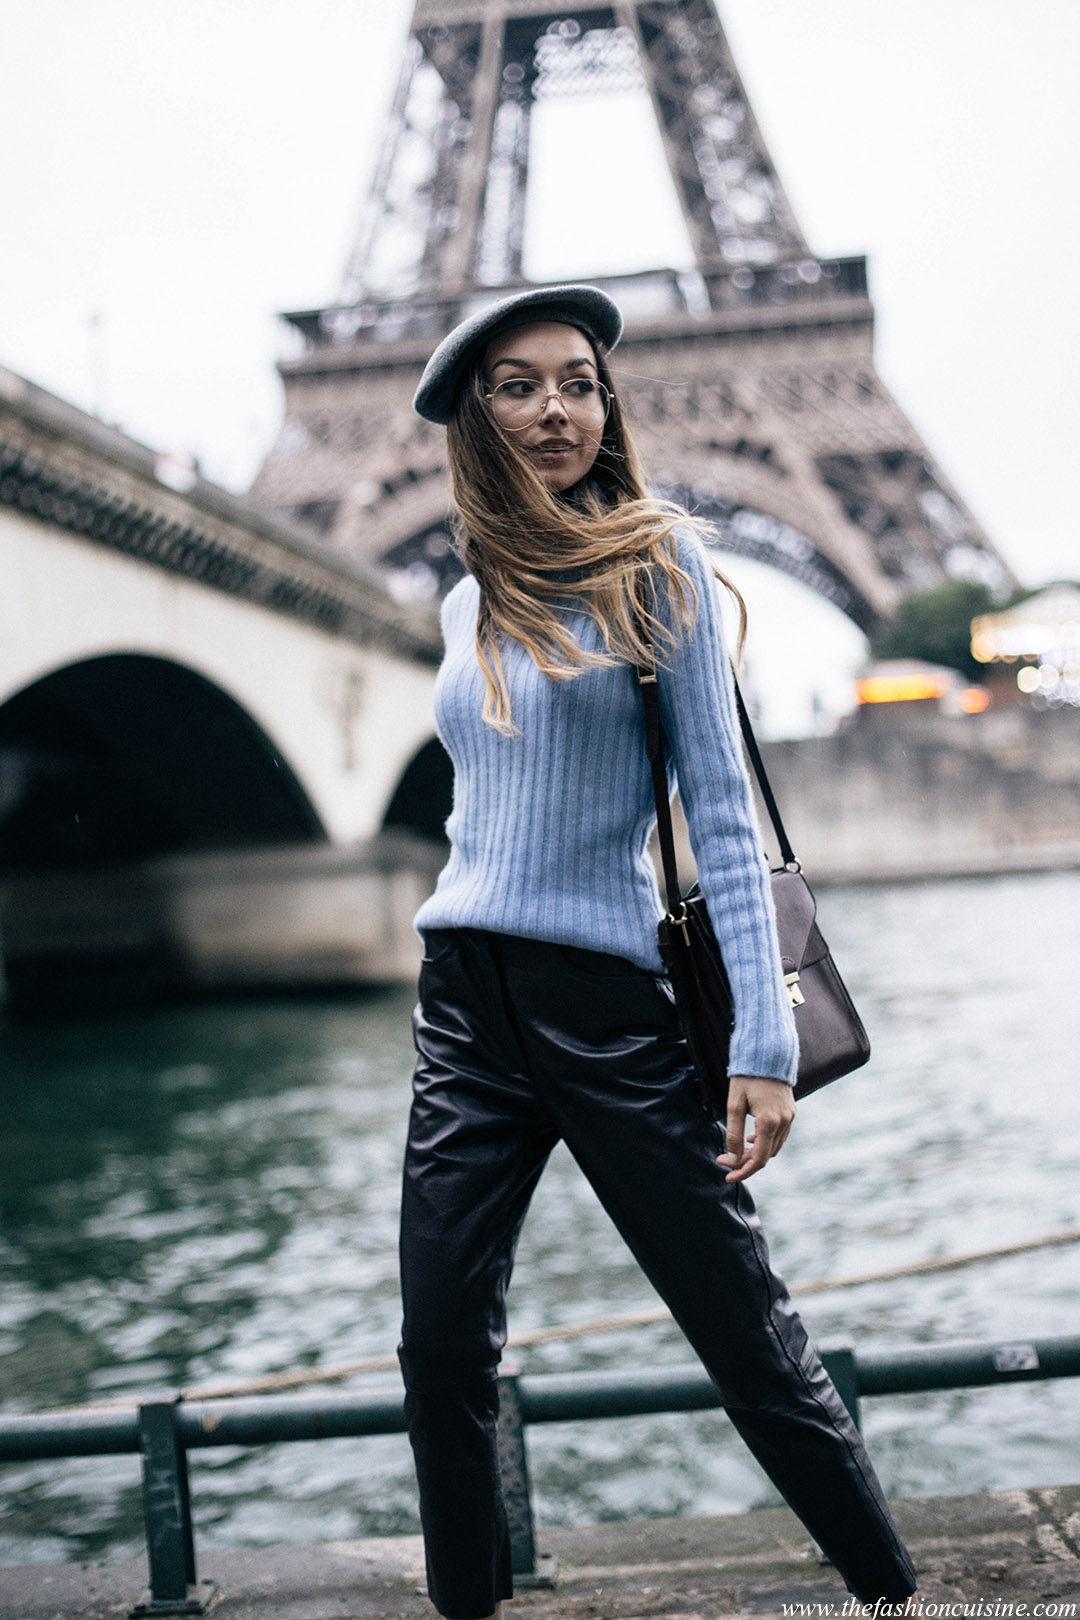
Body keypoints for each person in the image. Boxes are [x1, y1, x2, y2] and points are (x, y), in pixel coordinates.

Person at [398, 284, 918, 1620]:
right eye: (520, 385)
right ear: (474, 415)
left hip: (605, 1004)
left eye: (579, 382)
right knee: (440, 1346)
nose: (556, 408)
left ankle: (893, 1598)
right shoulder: (464, 599)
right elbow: (481, 810)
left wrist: (763, 1046)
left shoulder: (658, 560)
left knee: (745, 1335)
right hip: (463, 1002)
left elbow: (725, 816)